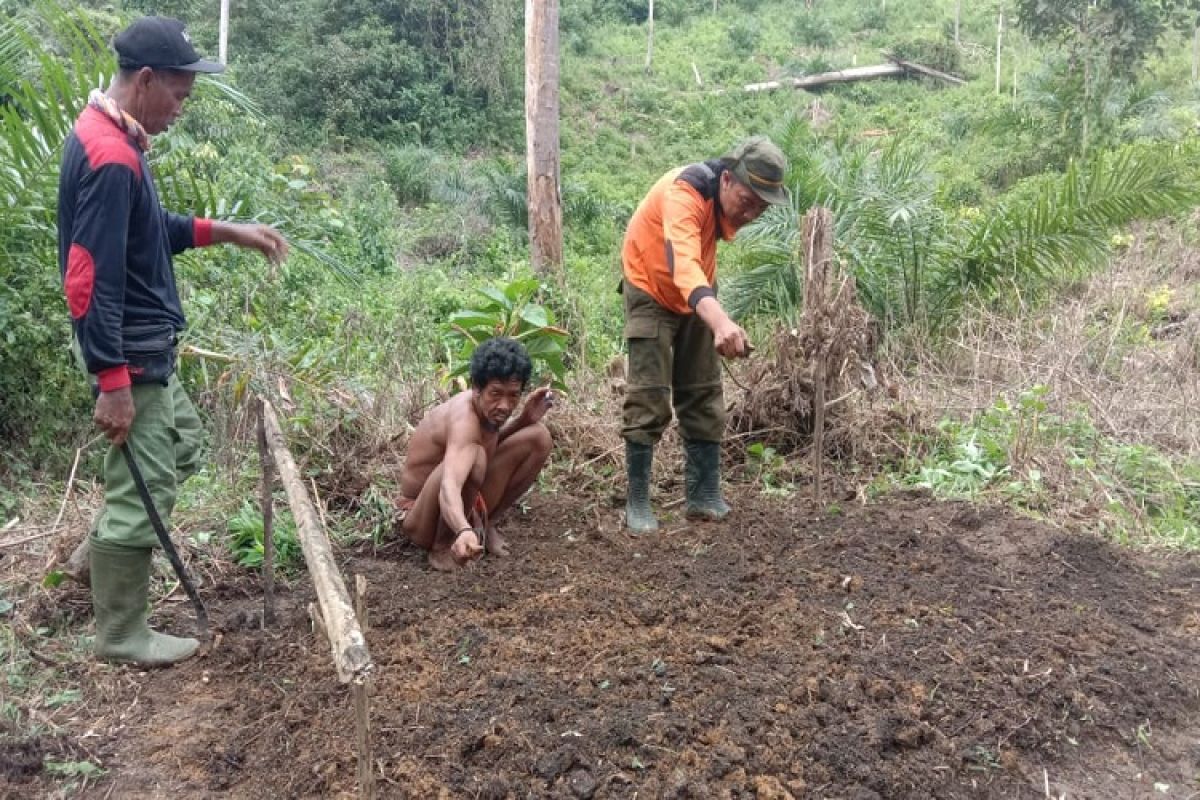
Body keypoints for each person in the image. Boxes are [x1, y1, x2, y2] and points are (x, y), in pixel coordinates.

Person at [58, 16, 289, 666]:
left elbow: (147, 228)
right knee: (147, 485)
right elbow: (87, 278)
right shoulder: (109, 158)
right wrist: (111, 383)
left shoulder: (115, 140)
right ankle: (122, 633)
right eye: (180, 97)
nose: (181, 110)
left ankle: (100, 551)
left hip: (145, 350)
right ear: (147, 79)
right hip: (129, 356)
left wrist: (229, 231)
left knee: (182, 442)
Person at [620, 136, 789, 532]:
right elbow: (683, 266)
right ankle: (638, 502)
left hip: (696, 295)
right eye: (747, 202)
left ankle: (703, 495)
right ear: (726, 179)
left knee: (703, 388)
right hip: (650, 286)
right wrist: (721, 321)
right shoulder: (686, 191)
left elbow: (695, 272)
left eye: (760, 209)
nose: (750, 214)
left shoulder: (722, 198)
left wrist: (714, 318)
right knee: (649, 393)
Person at [397, 337, 554, 571]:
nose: (504, 405)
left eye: (513, 395)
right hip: (420, 517)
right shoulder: (464, 420)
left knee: (538, 437)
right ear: (476, 388)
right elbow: (449, 484)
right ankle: (441, 548)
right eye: (496, 394)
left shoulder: (487, 413)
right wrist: (462, 529)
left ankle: (487, 524)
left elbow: (488, 444)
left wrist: (524, 421)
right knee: (476, 459)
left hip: (460, 501)